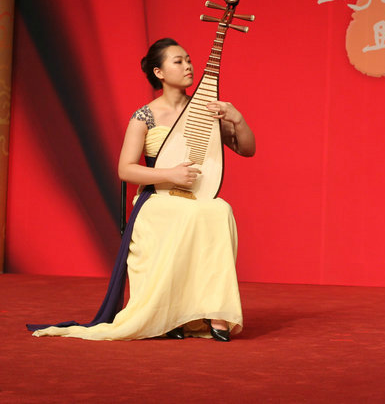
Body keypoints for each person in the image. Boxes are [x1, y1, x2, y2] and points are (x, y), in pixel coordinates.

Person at [30, 38, 255, 341]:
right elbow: (125, 169)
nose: (188, 66)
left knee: (220, 209)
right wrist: (170, 174)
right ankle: (172, 314)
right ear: (159, 73)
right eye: (178, 61)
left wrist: (236, 118)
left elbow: (247, 149)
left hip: (194, 198)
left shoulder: (205, 110)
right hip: (156, 198)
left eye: (189, 59)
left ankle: (215, 312)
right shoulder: (144, 116)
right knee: (189, 214)